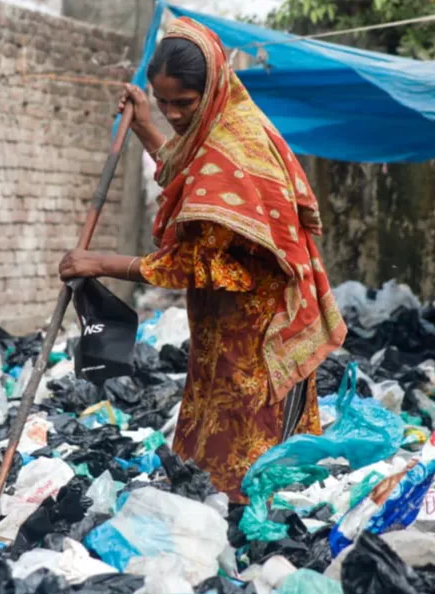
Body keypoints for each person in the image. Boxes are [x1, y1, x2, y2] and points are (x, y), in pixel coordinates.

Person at [59, 18, 345, 500]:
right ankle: (219, 521)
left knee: (250, 445)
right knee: (218, 435)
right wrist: (145, 121)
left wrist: (100, 263)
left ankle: (247, 537)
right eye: (164, 101)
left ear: (210, 87)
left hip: (259, 329)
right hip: (227, 319)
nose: (173, 114)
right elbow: (187, 170)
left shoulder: (233, 146)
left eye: (183, 104)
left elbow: (200, 264)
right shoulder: (219, 124)